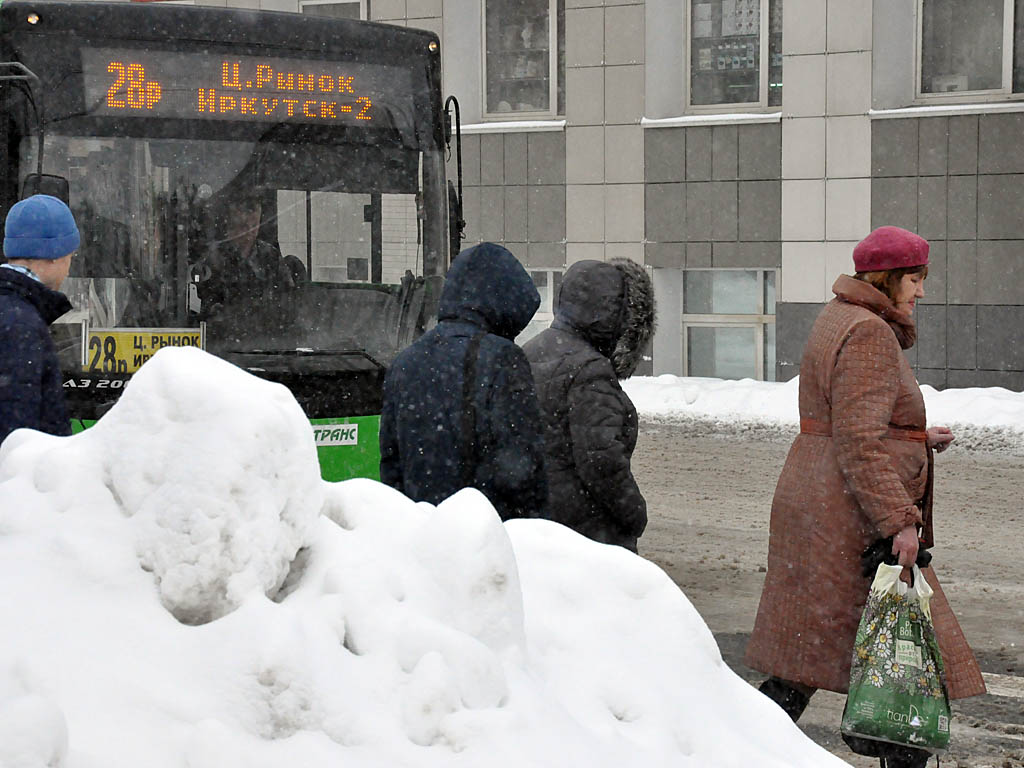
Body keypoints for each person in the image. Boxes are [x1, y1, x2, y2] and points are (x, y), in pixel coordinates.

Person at [744, 226, 985, 767]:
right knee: (903, 660)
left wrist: (914, 437)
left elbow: (844, 420)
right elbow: (857, 437)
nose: (921, 292)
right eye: (916, 279)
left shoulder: (839, 315)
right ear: (889, 278)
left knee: (805, 655)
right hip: (847, 515)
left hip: (822, 501)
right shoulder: (871, 332)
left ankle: (734, 745)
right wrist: (900, 518)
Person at [379, 242, 546, 521]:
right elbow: (523, 471)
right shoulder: (502, 359)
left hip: (423, 536)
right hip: (485, 539)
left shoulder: (405, 361)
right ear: (504, 305)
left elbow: (391, 464)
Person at [522, 258, 655, 553]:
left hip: (535, 524)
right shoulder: (589, 369)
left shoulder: (529, 351)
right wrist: (634, 513)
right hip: (585, 532)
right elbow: (601, 460)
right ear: (612, 313)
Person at [0, 194, 79, 444]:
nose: (68, 269)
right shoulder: (21, 324)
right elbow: (17, 439)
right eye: (70, 257)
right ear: (55, 254)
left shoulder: (13, 311)